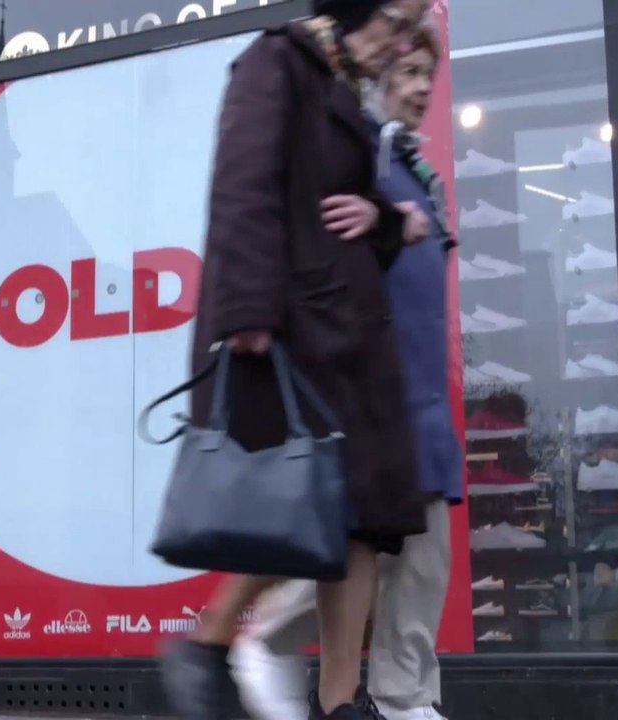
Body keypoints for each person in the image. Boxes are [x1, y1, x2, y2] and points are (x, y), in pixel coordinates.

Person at [160, 2, 430, 719]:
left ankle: (344, 700)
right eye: (396, 21)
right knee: (315, 505)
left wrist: (383, 219)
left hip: (347, 336)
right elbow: (242, 184)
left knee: (364, 519)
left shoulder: (338, 85)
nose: (401, 41)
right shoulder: (276, 61)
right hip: (295, 333)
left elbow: (343, 208)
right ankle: (208, 644)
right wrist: (245, 310)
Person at [229, 21, 463, 720]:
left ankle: (404, 696)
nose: (422, 88)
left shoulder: (423, 175)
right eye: (410, 72)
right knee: (351, 551)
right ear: (382, 72)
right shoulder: (355, 152)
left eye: (430, 75)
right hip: (369, 387)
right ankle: (264, 639)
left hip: (420, 387)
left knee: (423, 561)